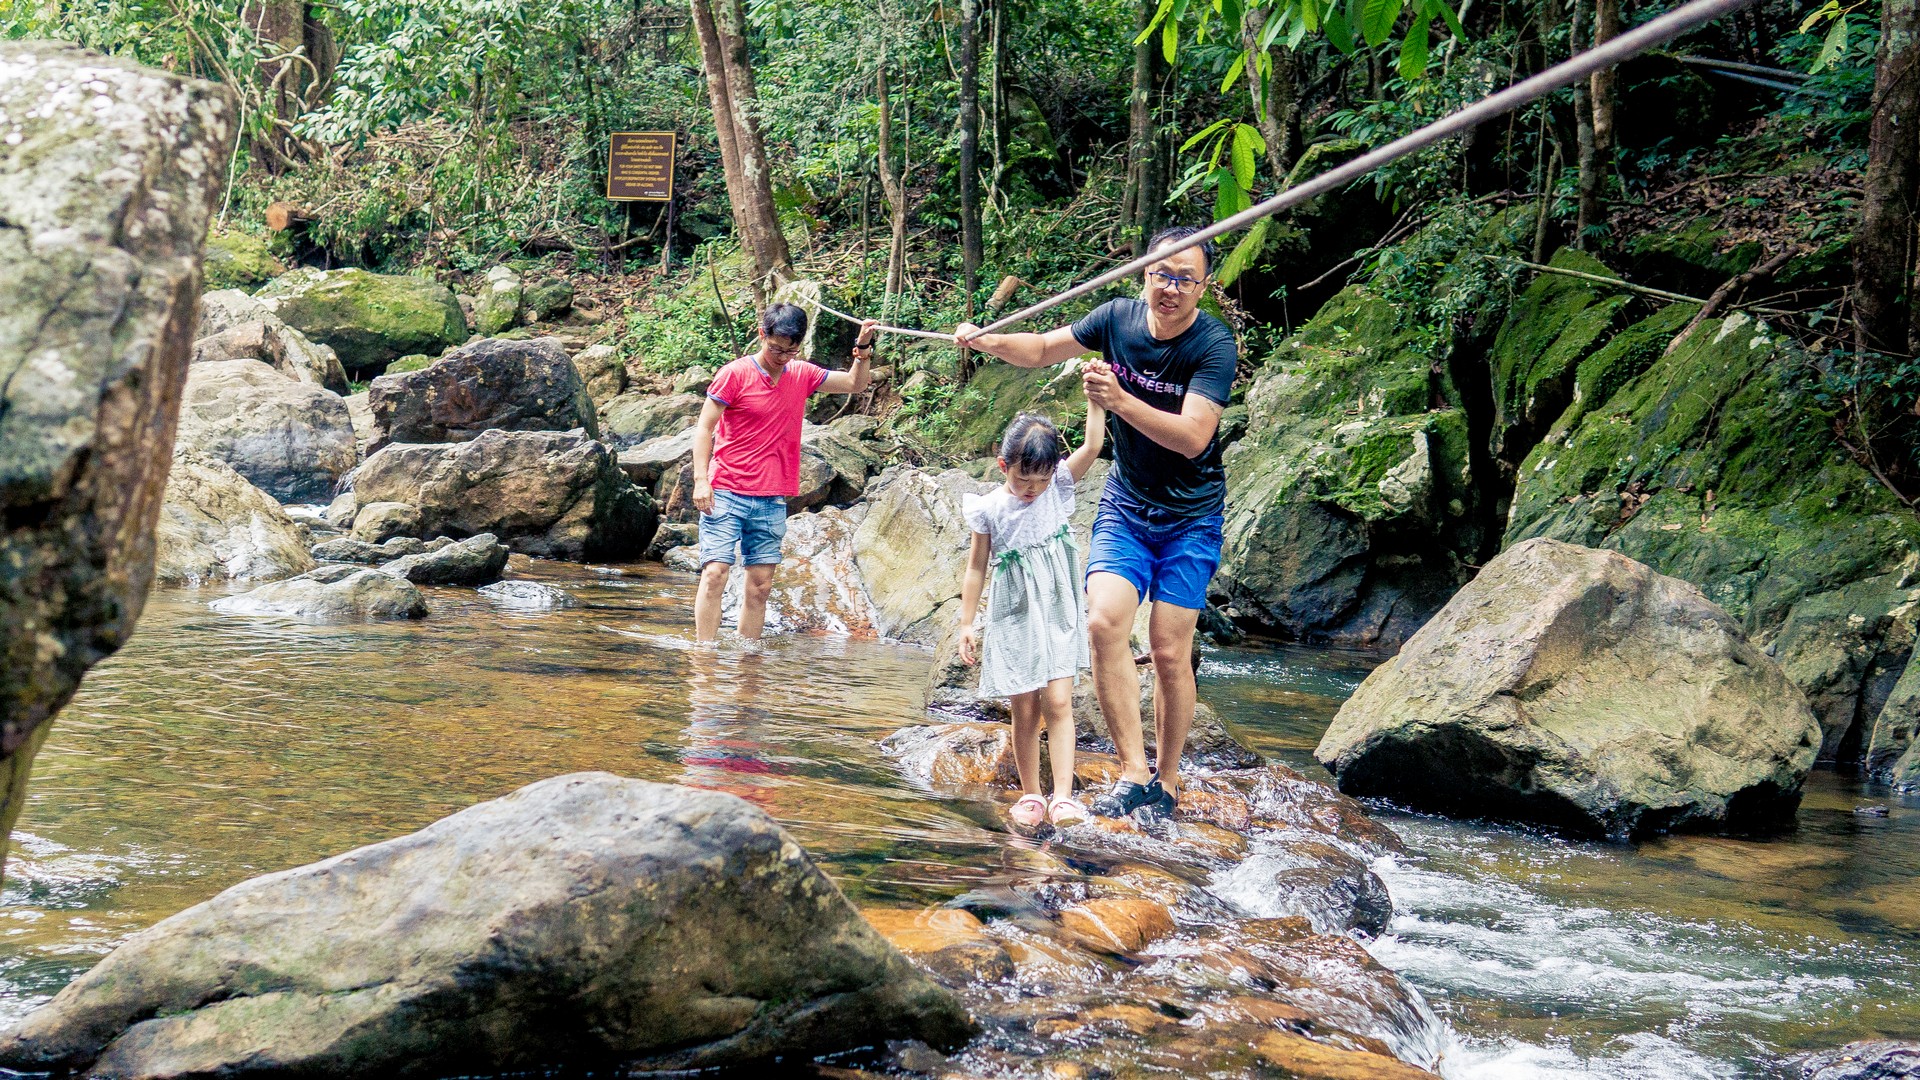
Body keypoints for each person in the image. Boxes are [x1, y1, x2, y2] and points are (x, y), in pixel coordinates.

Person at [956, 225, 1238, 819]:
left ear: (1204, 287)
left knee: (1167, 648)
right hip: (1127, 505)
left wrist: (1119, 400)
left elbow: (1193, 438)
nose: (1172, 288)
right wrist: (987, 341)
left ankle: (1168, 778)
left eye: (1186, 279)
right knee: (1105, 623)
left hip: (1191, 515)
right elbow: (1039, 349)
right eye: (1162, 274)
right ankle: (1133, 772)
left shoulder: (1213, 344)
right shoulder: (1116, 318)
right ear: (1144, 274)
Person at [956, 401, 1107, 831]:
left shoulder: (1057, 486)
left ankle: (1062, 797)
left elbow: (1094, 444)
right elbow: (976, 567)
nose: (1032, 488)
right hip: (1016, 612)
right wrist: (967, 623)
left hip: (1057, 606)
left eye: (1041, 479)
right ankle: (1031, 794)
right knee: (1024, 709)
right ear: (1003, 464)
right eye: (1023, 478)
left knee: (1058, 701)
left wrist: (1095, 397)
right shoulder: (987, 508)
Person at [691, 304, 877, 642]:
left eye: (790, 350)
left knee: (760, 587)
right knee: (715, 573)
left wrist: (862, 349)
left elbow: (854, 384)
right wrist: (701, 480)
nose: (782, 356)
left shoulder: (801, 373)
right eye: (776, 347)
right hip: (726, 489)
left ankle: (747, 657)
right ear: (762, 334)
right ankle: (705, 656)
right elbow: (705, 427)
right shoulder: (734, 373)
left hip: (771, 496)